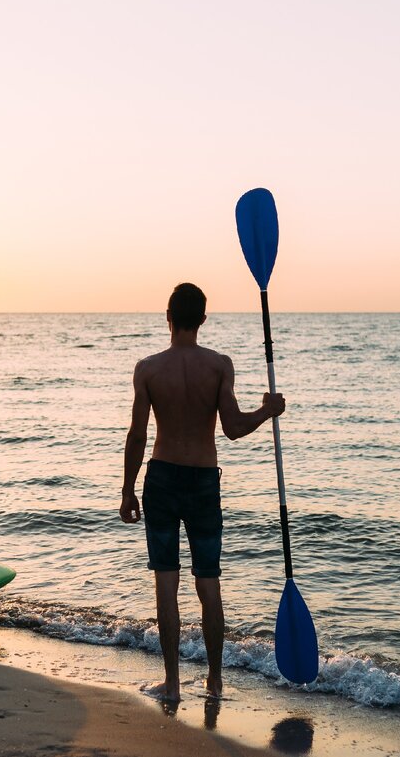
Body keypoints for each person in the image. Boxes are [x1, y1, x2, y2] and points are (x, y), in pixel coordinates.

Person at [120, 282, 285, 702]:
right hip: (203, 482)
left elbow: (137, 435)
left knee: (166, 584)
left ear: (168, 317)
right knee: (208, 585)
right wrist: (267, 410)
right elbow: (232, 428)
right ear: (203, 320)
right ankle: (214, 680)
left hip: (160, 480)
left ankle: (173, 684)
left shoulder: (148, 369)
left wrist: (127, 489)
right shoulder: (219, 366)